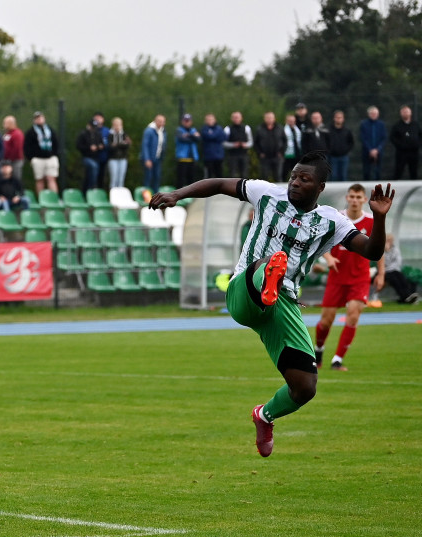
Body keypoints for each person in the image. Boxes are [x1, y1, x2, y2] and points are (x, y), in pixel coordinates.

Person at [148, 152, 393, 457]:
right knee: (269, 263)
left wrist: (380, 217)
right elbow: (220, 183)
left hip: (284, 305)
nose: (295, 182)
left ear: (319, 186)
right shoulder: (267, 194)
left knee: (305, 387)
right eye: (293, 175)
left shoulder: (332, 221)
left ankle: (264, 415)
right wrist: (177, 194)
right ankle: (269, 277)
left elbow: (371, 251)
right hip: (245, 291)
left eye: (304, 179)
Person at [313, 183, 381, 372]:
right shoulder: (336, 218)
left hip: (360, 278)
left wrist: (381, 274)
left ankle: (337, 360)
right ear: (347, 198)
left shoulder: (371, 221)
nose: (355, 200)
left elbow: (379, 249)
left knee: (353, 316)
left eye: (359, 197)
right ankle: (318, 351)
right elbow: (320, 243)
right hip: (336, 277)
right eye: (352, 196)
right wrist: (328, 257)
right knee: (326, 320)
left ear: (364, 200)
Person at [24, 111, 59, 193]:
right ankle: (41, 199)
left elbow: (56, 143)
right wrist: (31, 158)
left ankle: (54, 198)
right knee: (40, 179)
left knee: (51, 178)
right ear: (34, 120)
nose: (39, 120)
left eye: (40, 117)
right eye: (37, 118)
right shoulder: (31, 132)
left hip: (50, 158)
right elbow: (27, 146)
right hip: (38, 159)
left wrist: (54, 154)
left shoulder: (50, 130)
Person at [379, 233, 418, 303]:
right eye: (388, 240)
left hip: (395, 270)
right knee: (394, 280)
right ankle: (406, 297)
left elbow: (398, 262)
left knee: (401, 278)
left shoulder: (396, 250)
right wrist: (387, 251)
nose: (389, 242)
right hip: (387, 272)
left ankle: (407, 296)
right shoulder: (381, 251)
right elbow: (383, 264)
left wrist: (391, 267)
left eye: (391, 240)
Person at [389, 105, 420, 180]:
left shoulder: (416, 125)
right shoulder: (397, 125)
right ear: (401, 114)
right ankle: (394, 189)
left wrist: (418, 144)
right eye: (404, 112)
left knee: (414, 172)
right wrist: (400, 145)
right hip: (401, 153)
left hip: (414, 152)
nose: (405, 113)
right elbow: (392, 138)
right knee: (398, 171)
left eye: (407, 112)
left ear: (410, 113)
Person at [140, 114, 167, 193]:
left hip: (158, 158)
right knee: (148, 177)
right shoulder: (149, 130)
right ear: (155, 121)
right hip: (149, 158)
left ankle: (156, 196)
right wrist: (147, 159)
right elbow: (145, 145)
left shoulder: (163, 131)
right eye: (160, 121)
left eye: (163, 122)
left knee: (157, 177)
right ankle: (146, 197)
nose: (161, 123)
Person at [223, 111, 253, 178]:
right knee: (232, 174)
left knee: (245, 174)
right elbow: (224, 143)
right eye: (234, 117)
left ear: (241, 118)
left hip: (244, 155)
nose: (236, 119)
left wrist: (245, 145)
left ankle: (244, 188)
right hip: (232, 155)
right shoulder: (227, 129)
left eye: (237, 117)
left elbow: (251, 142)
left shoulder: (246, 128)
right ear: (232, 118)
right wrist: (233, 145)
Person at [255, 112, 284, 182]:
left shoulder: (279, 128)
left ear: (274, 118)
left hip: (277, 156)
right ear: (264, 119)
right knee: (264, 177)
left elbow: (285, 141)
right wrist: (260, 153)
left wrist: (281, 152)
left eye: (271, 118)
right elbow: (255, 142)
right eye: (267, 118)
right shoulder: (259, 129)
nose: (269, 119)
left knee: (278, 176)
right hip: (265, 157)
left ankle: (278, 192)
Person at [77, 119, 104, 192]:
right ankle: (92, 187)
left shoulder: (98, 134)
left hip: (96, 157)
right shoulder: (83, 134)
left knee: (92, 174)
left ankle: (89, 189)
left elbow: (102, 145)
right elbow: (79, 146)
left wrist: (98, 147)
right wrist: (89, 148)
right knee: (93, 167)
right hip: (87, 157)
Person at [174, 113, 200, 189]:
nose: (187, 122)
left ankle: (190, 197)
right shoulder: (179, 130)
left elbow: (198, 139)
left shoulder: (193, 129)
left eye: (188, 121)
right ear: (182, 121)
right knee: (180, 179)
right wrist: (193, 136)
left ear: (191, 122)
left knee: (191, 180)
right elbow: (183, 139)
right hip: (182, 158)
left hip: (192, 158)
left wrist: (189, 135)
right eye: (185, 120)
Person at [360, 106, 386, 180]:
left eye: (375, 113)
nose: (374, 115)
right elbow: (363, 138)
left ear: (378, 114)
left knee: (378, 172)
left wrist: (377, 150)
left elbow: (383, 138)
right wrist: (370, 150)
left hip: (379, 153)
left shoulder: (381, 124)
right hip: (366, 152)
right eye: (372, 113)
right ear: (369, 114)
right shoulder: (364, 124)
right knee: (366, 172)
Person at [106, 117, 131, 189]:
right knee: (114, 178)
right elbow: (110, 147)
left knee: (121, 178)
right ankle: (112, 195)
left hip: (123, 159)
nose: (117, 126)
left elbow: (127, 145)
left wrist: (117, 144)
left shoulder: (124, 134)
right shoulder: (110, 135)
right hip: (113, 159)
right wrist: (121, 144)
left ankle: (120, 196)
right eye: (116, 125)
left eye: (119, 125)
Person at [200, 114, 226, 179]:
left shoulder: (219, 128)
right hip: (208, 156)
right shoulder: (204, 129)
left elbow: (224, 137)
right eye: (208, 120)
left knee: (219, 175)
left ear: (215, 120)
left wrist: (213, 136)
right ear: (205, 121)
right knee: (209, 176)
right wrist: (216, 136)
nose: (210, 121)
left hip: (219, 156)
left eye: (211, 119)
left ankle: (219, 189)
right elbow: (209, 136)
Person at [2, 115, 25, 182]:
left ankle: (17, 192)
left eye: (5, 123)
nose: (3, 125)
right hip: (6, 161)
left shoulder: (17, 134)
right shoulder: (7, 133)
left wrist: (10, 159)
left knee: (16, 178)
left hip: (15, 161)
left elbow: (17, 148)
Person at [281, 114, 303, 179]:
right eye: (290, 121)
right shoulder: (283, 130)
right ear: (286, 121)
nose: (292, 122)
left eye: (293, 121)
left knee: (297, 174)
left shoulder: (297, 130)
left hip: (297, 155)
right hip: (287, 155)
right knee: (285, 173)